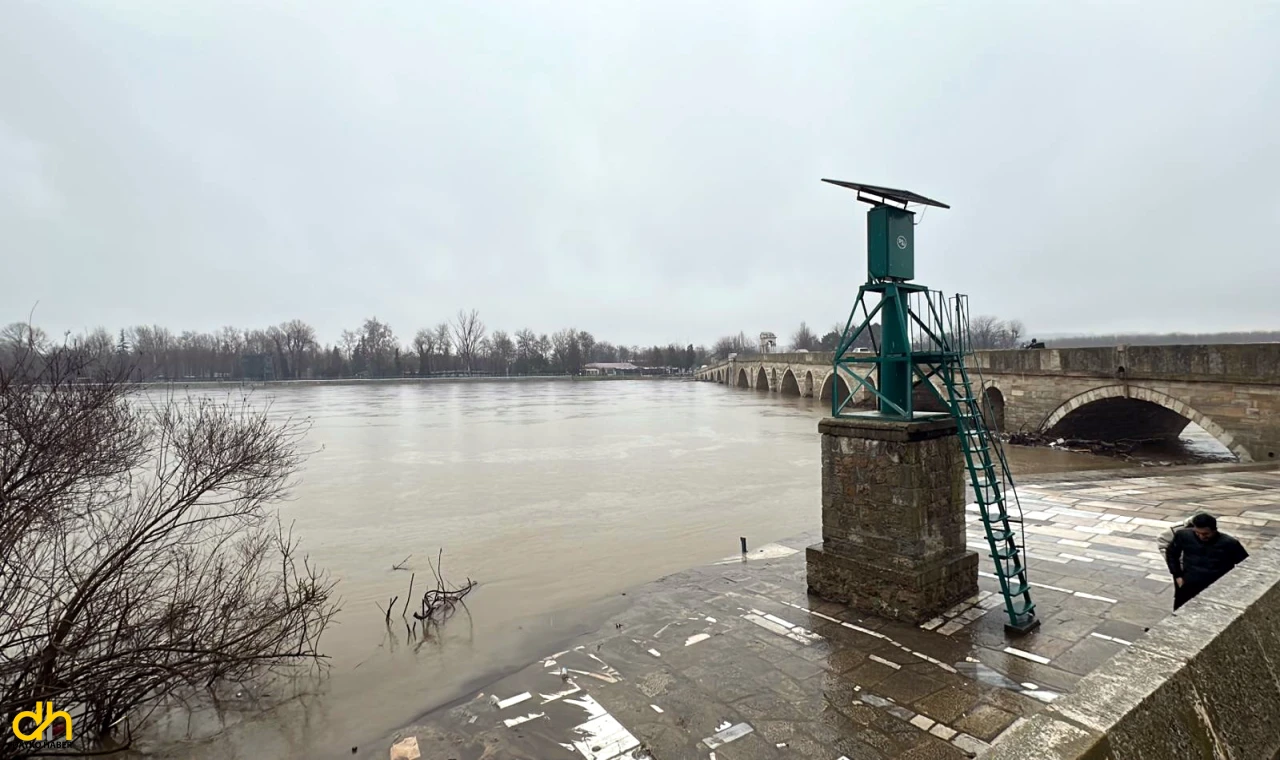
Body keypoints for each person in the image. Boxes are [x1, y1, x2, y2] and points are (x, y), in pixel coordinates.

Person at [1164, 513, 1249, 610]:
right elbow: (1171, 553)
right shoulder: (1183, 535)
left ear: (1214, 530)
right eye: (1197, 533)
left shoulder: (1229, 543)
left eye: (1205, 534)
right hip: (1188, 585)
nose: (1201, 536)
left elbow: (1245, 565)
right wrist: (1177, 575)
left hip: (1215, 587)